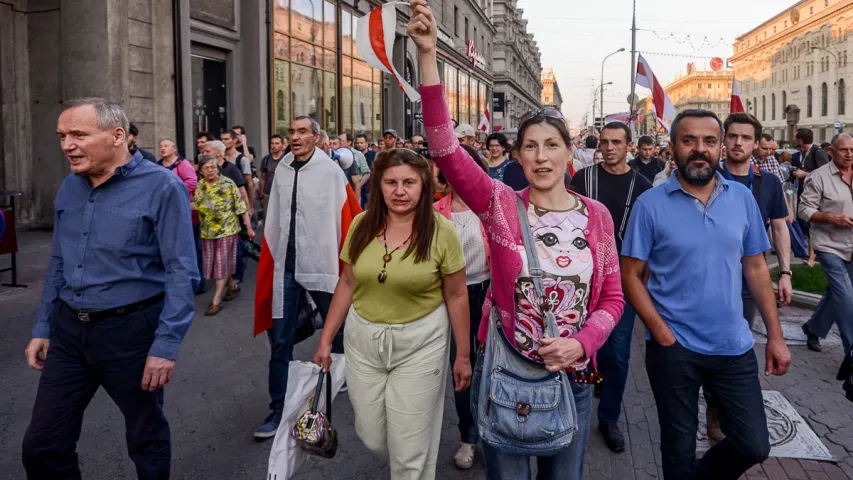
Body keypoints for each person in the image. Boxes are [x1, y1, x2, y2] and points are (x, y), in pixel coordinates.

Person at [409, 3, 624, 477]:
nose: (541, 157)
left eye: (552, 145)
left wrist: (583, 343)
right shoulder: (500, 204)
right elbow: (443, 146)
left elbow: (612, 298)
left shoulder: (598, 217)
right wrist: (427, 55)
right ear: (518, 155)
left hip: (574, 378)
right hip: (504, 371)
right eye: (530, 146)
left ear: (571, 152)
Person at [23, 98, 199, 479]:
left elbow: (182, 272)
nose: (67, 145)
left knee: (145, 439)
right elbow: (58, 263)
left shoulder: (163, 187)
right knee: (42, 446)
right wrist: (42, 327)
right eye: (62, 136)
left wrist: (165, 346)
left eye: (78, 135)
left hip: (131, 334)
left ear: (118, 136)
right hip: (69, 332)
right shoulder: (69, 188)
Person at [621, 109, 791, 480]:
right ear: (673, 148)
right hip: (673, 349)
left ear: (720, 147)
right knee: (677, 449)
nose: (700, 149)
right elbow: (630, 276)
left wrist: (775, 337)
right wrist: (660, 332)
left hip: (733, 345)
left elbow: (757, 267)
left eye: (709, 141)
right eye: (689, 141)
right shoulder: (651, 204)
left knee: (753, 444)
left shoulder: (742, 199)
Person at [313, 148, 470, 479]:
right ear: (379, 185)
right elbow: (346, 282)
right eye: (391, 182)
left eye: (410, 182)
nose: (400, 191)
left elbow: (456, 294)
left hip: (421, 342)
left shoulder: (442, 232)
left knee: (408, 450)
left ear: (424, 186)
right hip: (363, 340)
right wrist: (326, 339)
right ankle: (411, 462)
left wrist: (463, 356)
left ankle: (411, 468)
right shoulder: (360, 224)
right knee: (371, 435)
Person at [253, 116, 362, 439]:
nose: (295, 137)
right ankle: (277, 409)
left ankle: (340, 374)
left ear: (316, 137)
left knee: (338, 323)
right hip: (286, 267)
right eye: (292, 132)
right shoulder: (283, 169)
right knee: (280, 337)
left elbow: (349, 214)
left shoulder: (330, 172)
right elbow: (276, 217)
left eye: (302, 132)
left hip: (323, 263)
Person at [704, 112, 792, 442]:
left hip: (746, 283)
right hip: (707, 278)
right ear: (724, 140)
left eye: (746, 138)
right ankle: (713, 411)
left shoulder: (767, 183)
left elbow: (780, 226)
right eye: (733, 136)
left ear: (756, 144)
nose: (738, 142)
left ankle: (724, 412)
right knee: (708, 350)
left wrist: (785, 272)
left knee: (735, 349)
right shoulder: (704, 175)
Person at [569, 122, 653, 453]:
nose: (609, 147)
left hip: (621, 281)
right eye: (604, 142)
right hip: (580, 276)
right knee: (579, 347)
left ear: (629, 145)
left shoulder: (643, 186)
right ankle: (573, 407)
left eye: (616, 142)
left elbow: (648, 238)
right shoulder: (582, 179)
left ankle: (609, 417)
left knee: (617, 353)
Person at [433, 144, 491, 470]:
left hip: (488, 295)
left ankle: (493, 429)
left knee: (490, 367)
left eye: (464, 165)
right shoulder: (436, 210)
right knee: (462, 368)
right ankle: (468, 436)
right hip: (452, 299)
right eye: (451, 167)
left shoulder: (488, 205)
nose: (457, 172)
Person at [799, 133, 853, 358]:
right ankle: (851, 351)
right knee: (846, 295)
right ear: (831, 151)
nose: (849, 154)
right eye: (844, 150)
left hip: (852, 245)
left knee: (837, 294)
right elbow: (804, 210)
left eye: (852, 150)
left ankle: (813, 328)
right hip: (828, 244)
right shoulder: (818, 177)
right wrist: (833, 218)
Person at [194, 156, 254, 315]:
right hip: (207, 233)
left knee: (221, 265)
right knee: (215, 265)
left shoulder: (228, 184)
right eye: (206, 168)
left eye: (213, 167)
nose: (210, 170)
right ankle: (233, 284)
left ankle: (216, 300)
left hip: (227, 231)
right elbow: (198, 207)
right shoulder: (201, 185)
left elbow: (241, 208)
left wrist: (248, 228)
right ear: (201, 171)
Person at [221, 129, 255, 215]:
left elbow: (249, 183)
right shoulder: (220, 158)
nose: (223, 142)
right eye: (222, 139)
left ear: (234, 140)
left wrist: (250, 206)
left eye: (226, 139)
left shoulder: (242, 159)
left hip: (239, 201)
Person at [259, 134, 287, 215]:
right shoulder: (266, 159)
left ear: (282, 145)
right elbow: (262, 178)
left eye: (277, 143)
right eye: (272, 143)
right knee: (267, 221)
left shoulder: (286, 159)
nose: (274, 146)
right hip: (268, 194)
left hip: (283, 195)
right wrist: (261, 195)